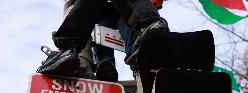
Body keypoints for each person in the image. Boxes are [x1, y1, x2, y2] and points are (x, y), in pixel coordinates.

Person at [36, 0, 169, 81]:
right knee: (103, 33)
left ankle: (143, 62)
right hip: (105, 10)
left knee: (136, 36)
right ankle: (105, 63)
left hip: (127, 10)